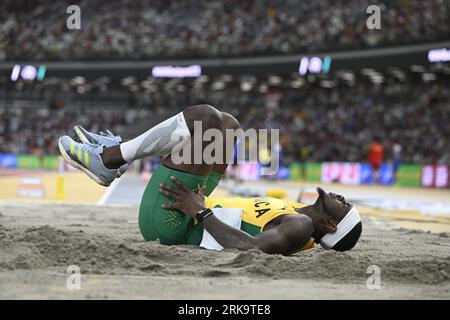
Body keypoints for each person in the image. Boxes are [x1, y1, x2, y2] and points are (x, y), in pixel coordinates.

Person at [58, 104, 362, 254]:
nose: (345, 200)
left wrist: (200, 212)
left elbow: (255, 250)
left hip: (175, 222)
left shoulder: (303, 226)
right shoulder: (296, 214)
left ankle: (109, 158)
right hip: (194, 205)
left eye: (345, 207)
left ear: (332, 225)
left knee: (205, 119)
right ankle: (113, 156)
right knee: (228, 125)